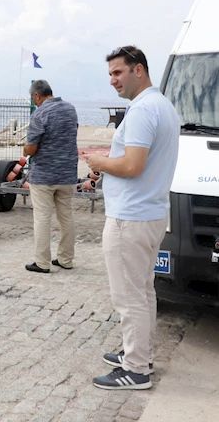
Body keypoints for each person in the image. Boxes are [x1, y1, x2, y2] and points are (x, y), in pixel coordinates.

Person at [85, 45, 179, 390]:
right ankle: (139, 353)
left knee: (128, 296)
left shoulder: (141, 111)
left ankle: (136, 368)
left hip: (131, 217)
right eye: (110, 74)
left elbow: (132, 165)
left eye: (117, 72)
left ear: (138, 70)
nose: (112, 81)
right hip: (151, 213)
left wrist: (99, 163)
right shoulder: (163, 106)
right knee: (143, 290)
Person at [22, 80, 79, 273]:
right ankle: (65, 259)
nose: (34, 102)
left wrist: (25, 149)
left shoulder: (39, 113)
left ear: (37, 95)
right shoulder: (70, 109)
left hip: (44, 176)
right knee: (66, 216)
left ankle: (42, 262)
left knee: (42, 218)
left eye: (33, 98)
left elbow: (31, 147)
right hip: (67, 173)